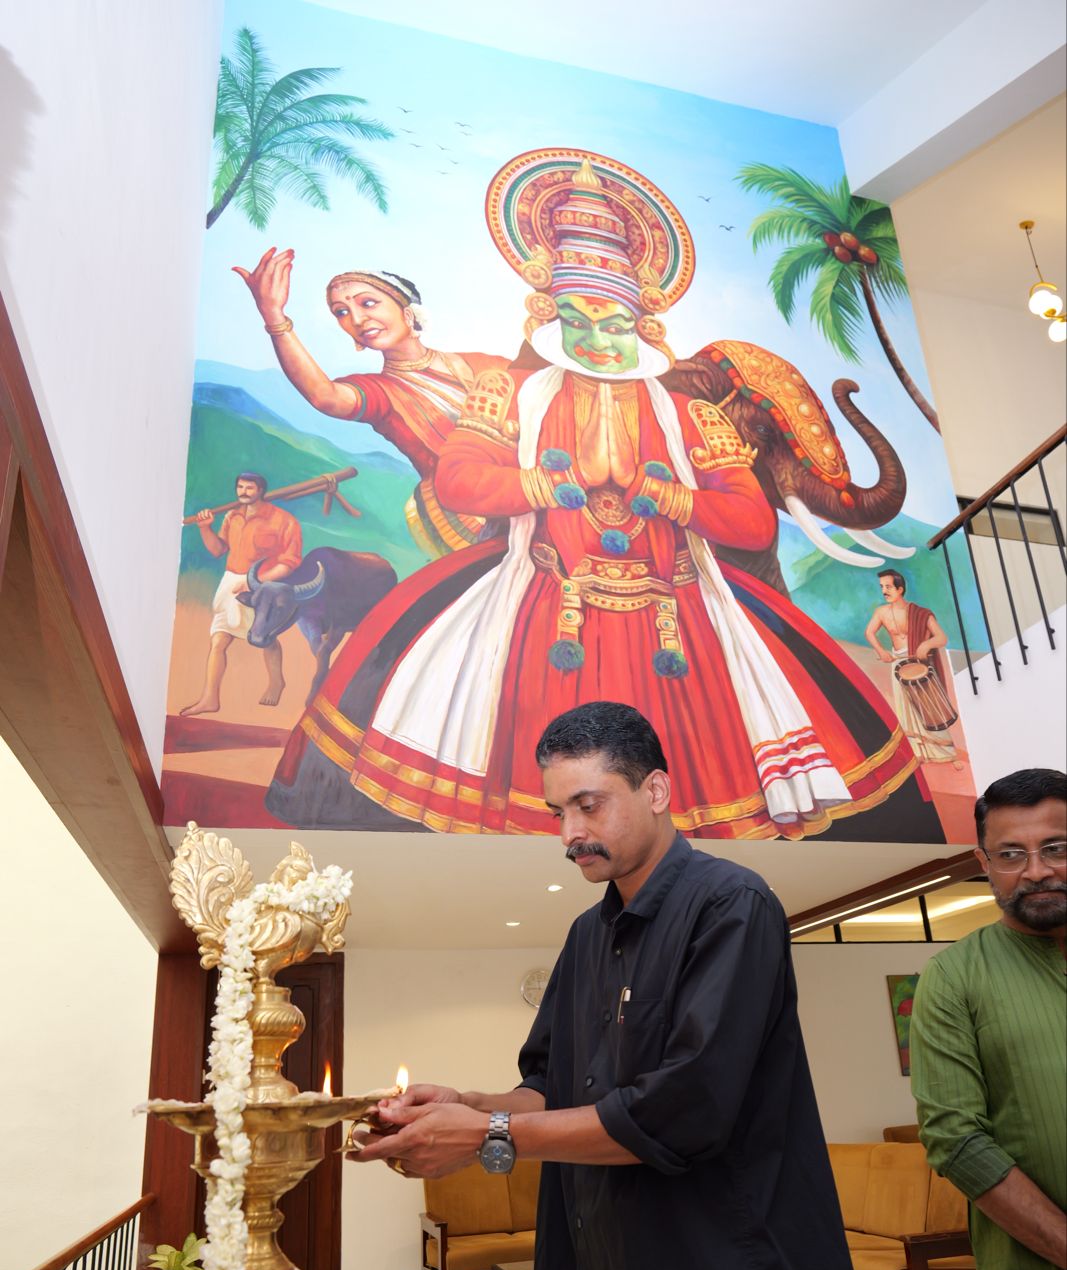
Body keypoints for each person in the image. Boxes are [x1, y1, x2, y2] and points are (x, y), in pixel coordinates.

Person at [354, 701, 885, 1270]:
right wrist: (468, 1106)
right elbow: (550, 1088)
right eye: (556, 811)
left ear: (657, 790)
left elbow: (683, 1111)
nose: (569, 832)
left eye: (589, 804)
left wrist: (488, 1136)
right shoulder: (585, 936)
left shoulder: (731, 906)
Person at [266, 150, 941, 844]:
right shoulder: (508, 393)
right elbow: (458, 481)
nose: (598, 340)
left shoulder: (690, 413)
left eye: (614, 323)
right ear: (549, 315)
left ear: (642, 324)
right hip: (541, 603)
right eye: (578, 320)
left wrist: (664, 494)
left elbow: (748, 523)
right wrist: (553, 483)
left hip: (683, 615)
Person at [910, 768, 1067, 1270]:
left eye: (1055, 848)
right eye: (1010, 854)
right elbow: (956, 1140)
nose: (1035, 871)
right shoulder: (956, 979)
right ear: (983, 863)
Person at [233, 247, 507, 558]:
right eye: (341, 312)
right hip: (472, 514)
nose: (357, 319)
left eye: (367, 303)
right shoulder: (380, 392)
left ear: (407, 312)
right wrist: (274, 315)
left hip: (534, 486)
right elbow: (325, 396)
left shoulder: (485, 365)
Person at [181, 472, 302, 716]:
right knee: (218, 640)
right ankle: (210, 699)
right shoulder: (232, 516)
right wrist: (205, 528)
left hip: (262, 588)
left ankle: (277, 682)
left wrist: (253, 582)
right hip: (229, 583)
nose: (243, 492)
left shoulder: (284, 521)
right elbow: (218, 550)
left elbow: (289, 563)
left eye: (249, 488)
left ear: (261, 490)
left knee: (265, 637)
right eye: (240, 487)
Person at [865, 568, 959, 764]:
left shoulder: (920, 613)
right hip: (897, 663)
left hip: (918, 663)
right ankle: (917, 752)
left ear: (900, 589)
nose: (884, 591)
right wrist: (881, 651)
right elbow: (869, 633)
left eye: (888, 587)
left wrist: (926, 644)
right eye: (882, 587)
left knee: (926, 704)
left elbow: (941, 638)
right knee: (904, 708)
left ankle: (944, 753)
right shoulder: (881, 612)